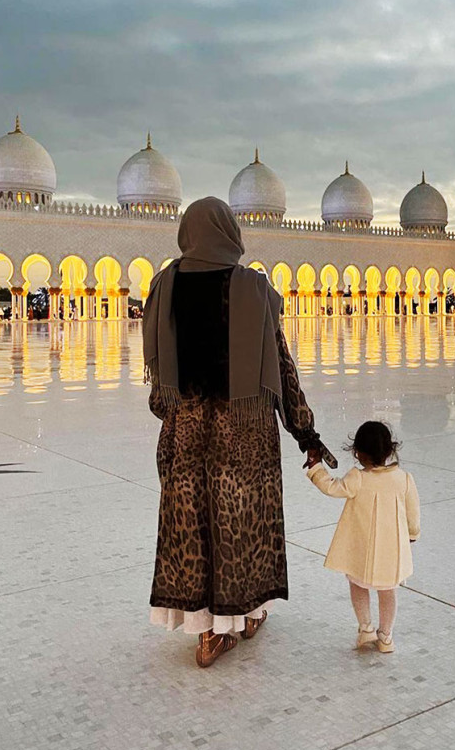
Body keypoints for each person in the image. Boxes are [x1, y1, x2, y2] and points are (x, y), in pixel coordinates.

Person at [143, 197, 335, 668]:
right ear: (230, 232)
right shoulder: (254, 289)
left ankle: (207, 634)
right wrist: (305, 434)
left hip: (186, 432)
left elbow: (157, 392)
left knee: (193, 527)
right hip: (244, 434)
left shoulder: (165, 285)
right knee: (243, 524)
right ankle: (245, 618)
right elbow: (282, 369)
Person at [305, 421, 420, 654]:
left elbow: (331, 487)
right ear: (390, 450)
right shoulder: (404, 479)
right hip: (391, 551)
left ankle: (365, 628)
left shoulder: (357, 478)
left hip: (361, 551)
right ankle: (386, 637)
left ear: (357, 453)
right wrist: (412, 534)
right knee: (388, 591)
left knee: (358, 585)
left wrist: (316, 466)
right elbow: (413, 512)